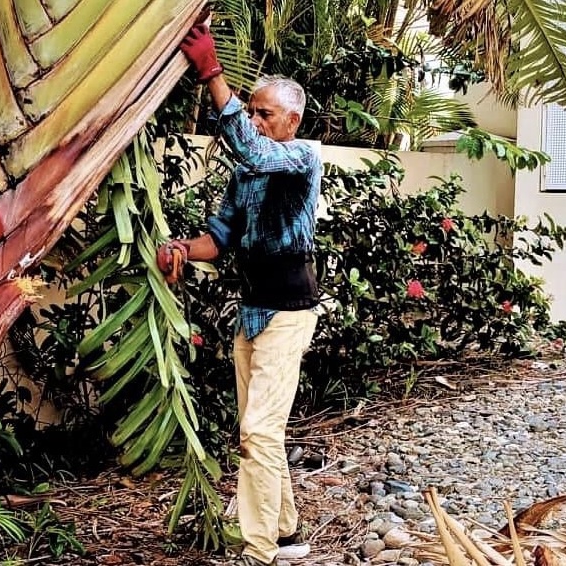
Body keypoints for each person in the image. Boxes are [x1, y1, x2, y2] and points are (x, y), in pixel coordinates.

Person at [156, 22, 322, 566]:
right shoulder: (247, 176)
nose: (254, 121)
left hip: (288, 312)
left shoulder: (301, 158)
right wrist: (182, 249)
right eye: (250, 112)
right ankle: (285, 530)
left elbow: (252, 152)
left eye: (264, 114)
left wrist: (212, 73)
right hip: (252, 311)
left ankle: (259, 551)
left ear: (292, 121)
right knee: (261, 433)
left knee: (258, 430)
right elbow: (220, 237)